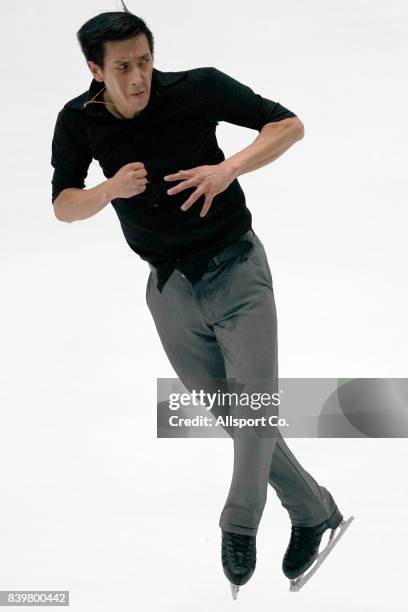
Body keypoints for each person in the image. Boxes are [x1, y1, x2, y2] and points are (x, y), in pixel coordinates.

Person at [51, 3, 351, 598]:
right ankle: (314, 509)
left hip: (237, 270)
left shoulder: (198, 88)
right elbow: (63, 204)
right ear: (94, 71)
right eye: (123, 68)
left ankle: (239, 524)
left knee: (254, 407)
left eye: (145, 61)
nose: (139, 78)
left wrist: (227, 169)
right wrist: (108, 189)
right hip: (167, 289)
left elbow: (287, 124)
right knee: (232, 415)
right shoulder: (77, 122)